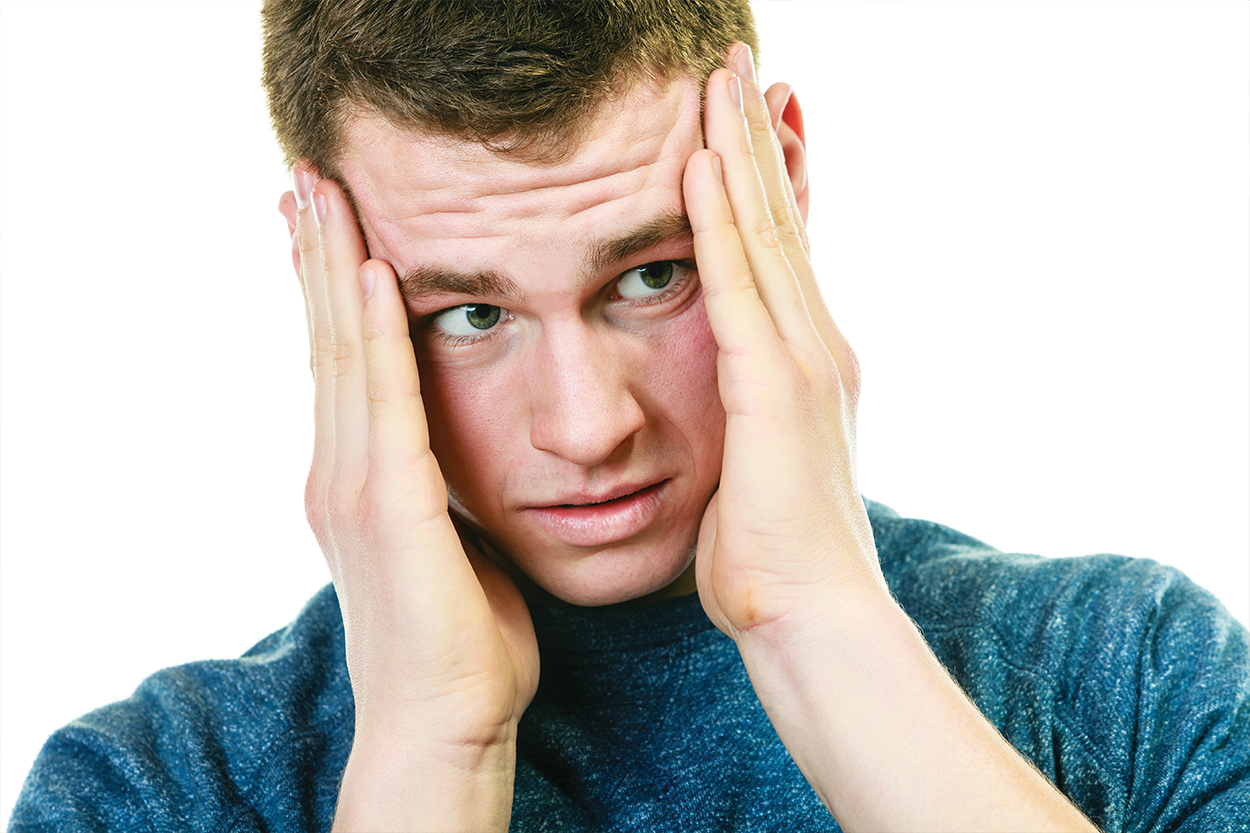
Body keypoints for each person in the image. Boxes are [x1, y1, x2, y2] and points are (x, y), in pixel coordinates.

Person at [7, 1, 1247, 831]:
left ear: (777, 180)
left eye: (652, 275)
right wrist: (431, 746)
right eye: (469, 313)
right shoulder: (153, 789)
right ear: (324, 279)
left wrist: (818, 627)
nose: (588, 424)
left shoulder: (1134, 676)